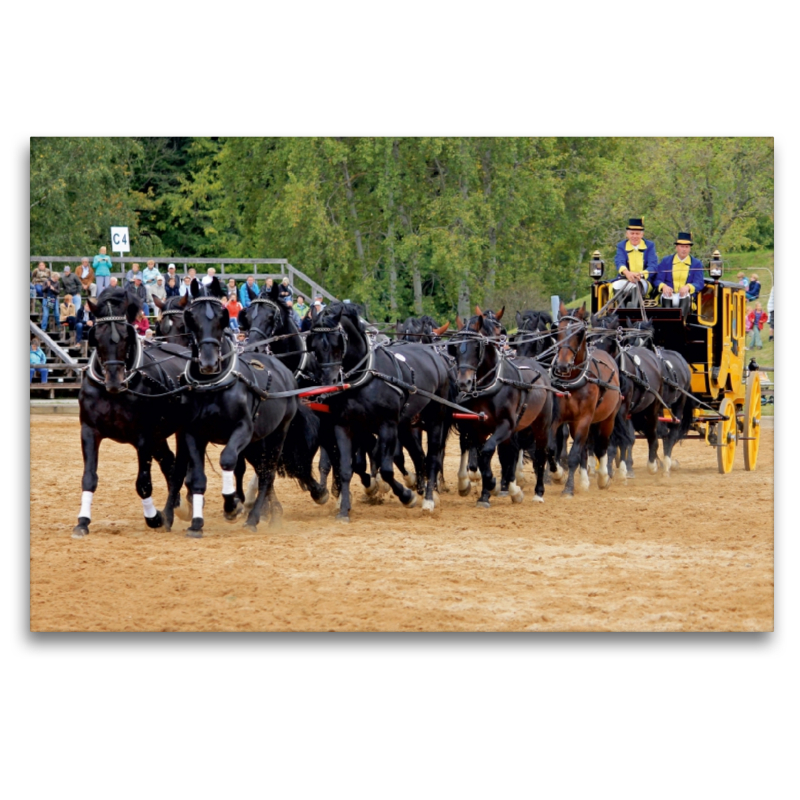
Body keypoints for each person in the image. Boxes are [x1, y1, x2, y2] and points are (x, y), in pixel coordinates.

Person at [654, 232, 705, 316]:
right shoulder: (666, 261)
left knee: (685, 295)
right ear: (676, 247)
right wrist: (663, 286)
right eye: (681, 246)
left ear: (690, 249)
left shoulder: (696, 263)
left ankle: (681, 323)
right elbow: (657, 279)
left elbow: (699, 282)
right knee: (666, 295)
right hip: (668, 296)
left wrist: (688, 287)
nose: (684, 249)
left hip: (685, 297)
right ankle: (667, 321)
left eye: (686, 247)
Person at [612, 217, 658, 307]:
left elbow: (653, 266)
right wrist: (627, 273)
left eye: (637, 234)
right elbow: (619, 261)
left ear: (642, 235)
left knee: (636, 287)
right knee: (616, 285)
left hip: (643, 281)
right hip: (626, 279)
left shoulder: (650, 246)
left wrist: (641, 275)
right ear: (627, 234)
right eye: (632, 233)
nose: (634, 236)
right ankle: (622, 310)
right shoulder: (621, 246)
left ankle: (633, 311)